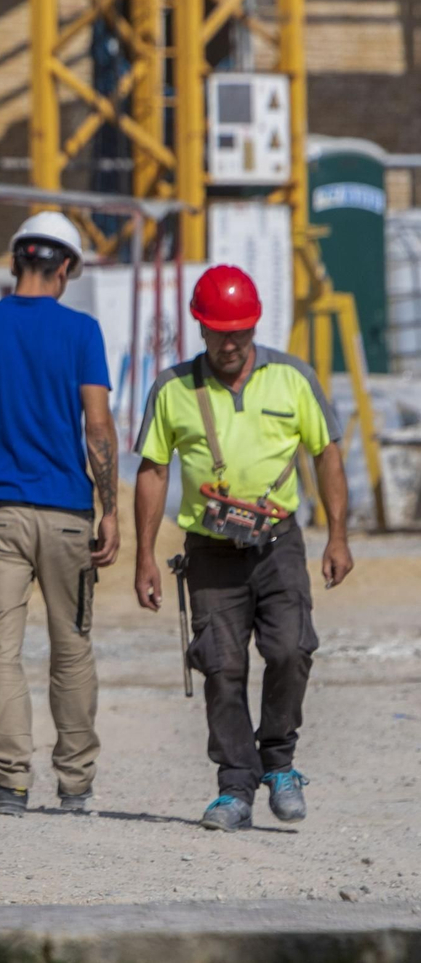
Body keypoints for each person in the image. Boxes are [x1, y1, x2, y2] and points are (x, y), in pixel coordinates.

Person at [133, 264, 351, 832]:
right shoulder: (173, 388)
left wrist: (339, 536)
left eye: (240, 332)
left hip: (278, 545)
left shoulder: (292, 379)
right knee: (221, 667)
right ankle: (235, 786)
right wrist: (144, 557)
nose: (230, 344)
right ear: (199, 328)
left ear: (254, 327)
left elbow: (326, 453)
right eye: (218, 332)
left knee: (289, 649)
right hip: (209, 553)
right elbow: (153, 472)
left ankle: (279, 763)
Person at [0, 211, 119, 817]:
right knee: (72, 647)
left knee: (1, 652)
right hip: (65, 514)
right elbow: (99, 427)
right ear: (66, 267)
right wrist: (110, 509)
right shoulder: (83, 332)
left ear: (14, 262)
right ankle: (76, 783)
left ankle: (10, 783)